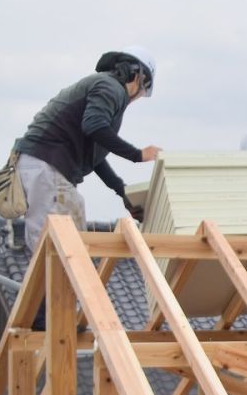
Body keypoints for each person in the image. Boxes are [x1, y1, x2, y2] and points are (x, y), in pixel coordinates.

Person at [13, 45, 162, 251]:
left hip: (44, 164)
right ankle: (52, 283)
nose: (137, 98)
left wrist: (123, 193)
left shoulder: (103, 87)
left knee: (68, 234)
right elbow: (94, 127)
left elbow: (95, 155)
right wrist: (137, 155)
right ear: (139, 77)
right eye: (143, 90)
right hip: (48, 164)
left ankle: (56, 282)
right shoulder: (112, 88)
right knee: (60, 245)